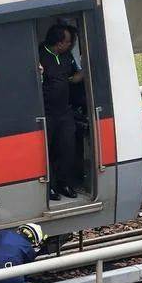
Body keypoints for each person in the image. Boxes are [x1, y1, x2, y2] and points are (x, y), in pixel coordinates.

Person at [39, 24, 84, 201]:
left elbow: (73, 78)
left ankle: (64, 183)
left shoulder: (66, 56)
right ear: (59, 43)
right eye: (69, 42)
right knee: (46, 151)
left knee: (67, 148)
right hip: (45, 114)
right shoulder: (40, 55)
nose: (71, 45)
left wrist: (85, 70)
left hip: (64, 112)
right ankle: (49, 187)